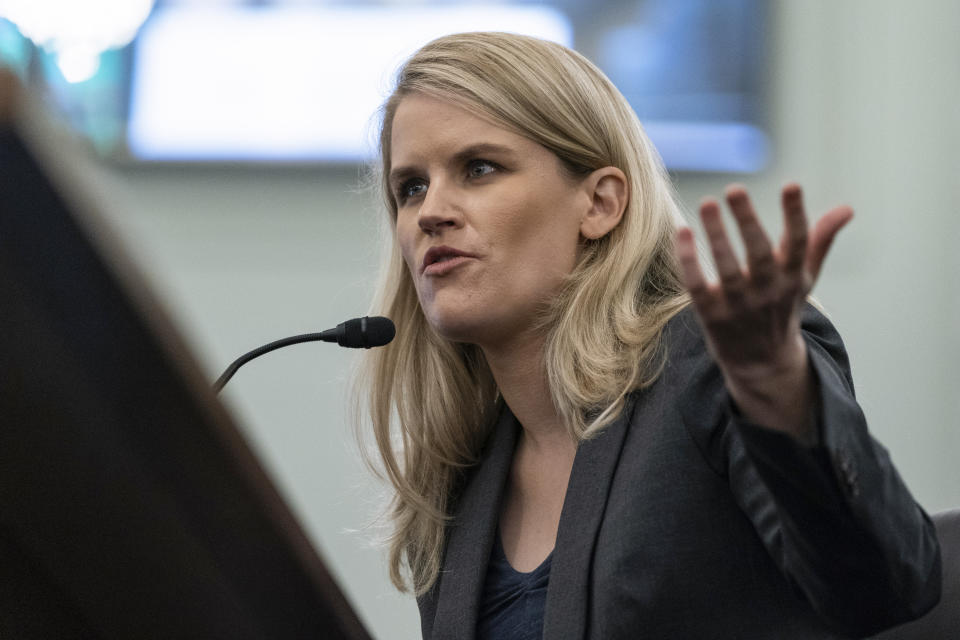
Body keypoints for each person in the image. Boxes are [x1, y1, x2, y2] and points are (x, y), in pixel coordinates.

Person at [356, 32, 940, 639]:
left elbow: (883, 588)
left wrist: (783, 400)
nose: (430, 213)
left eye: (479, 169)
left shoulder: (711, 365)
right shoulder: (462, 466)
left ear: (601, 204)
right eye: (411, 188)